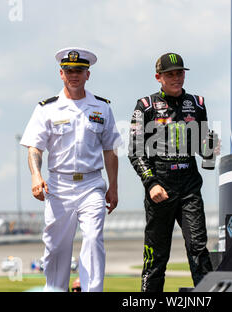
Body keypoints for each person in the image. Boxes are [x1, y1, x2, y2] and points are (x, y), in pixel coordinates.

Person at [20, 47, 122, 292]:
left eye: (79, 70)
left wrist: (114, 187)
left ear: (88, 75)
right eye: (69, 70)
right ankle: (55, 288)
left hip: (91, 185)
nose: (74, 74)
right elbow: (34, 147)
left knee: (93, 238)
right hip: (59, 185)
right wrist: (36, 176)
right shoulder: (47, 108)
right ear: (61, 74)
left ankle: (92, 290)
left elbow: (111, 149)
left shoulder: (102, 108)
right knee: (56, 246)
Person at [128, 52, 219, 292]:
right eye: (170, 74)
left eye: (180, 73)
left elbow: (203, 150)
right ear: (158, 77)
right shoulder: (145, 106)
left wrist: (210, 148)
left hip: (189, 183)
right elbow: (135, 151)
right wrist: (151, 184)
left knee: (198, 247)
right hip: (161, 184)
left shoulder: (197, 103)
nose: (176, 78)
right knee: (156, 255)